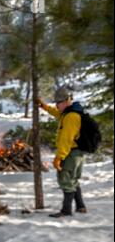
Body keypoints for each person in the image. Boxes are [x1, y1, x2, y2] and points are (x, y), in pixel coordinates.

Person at [37, 86, 87, 218]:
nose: (56, 105)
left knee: (65, 180)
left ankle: (66, 210)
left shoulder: (71, 117)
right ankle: (81, 206)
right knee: (73, 180)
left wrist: (59, 157)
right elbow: (57, 113)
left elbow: (66, 139)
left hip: (70, 153)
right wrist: (44, 106)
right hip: (77, 153)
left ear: (65, 101)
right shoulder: (72, 113)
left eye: (58, 102)